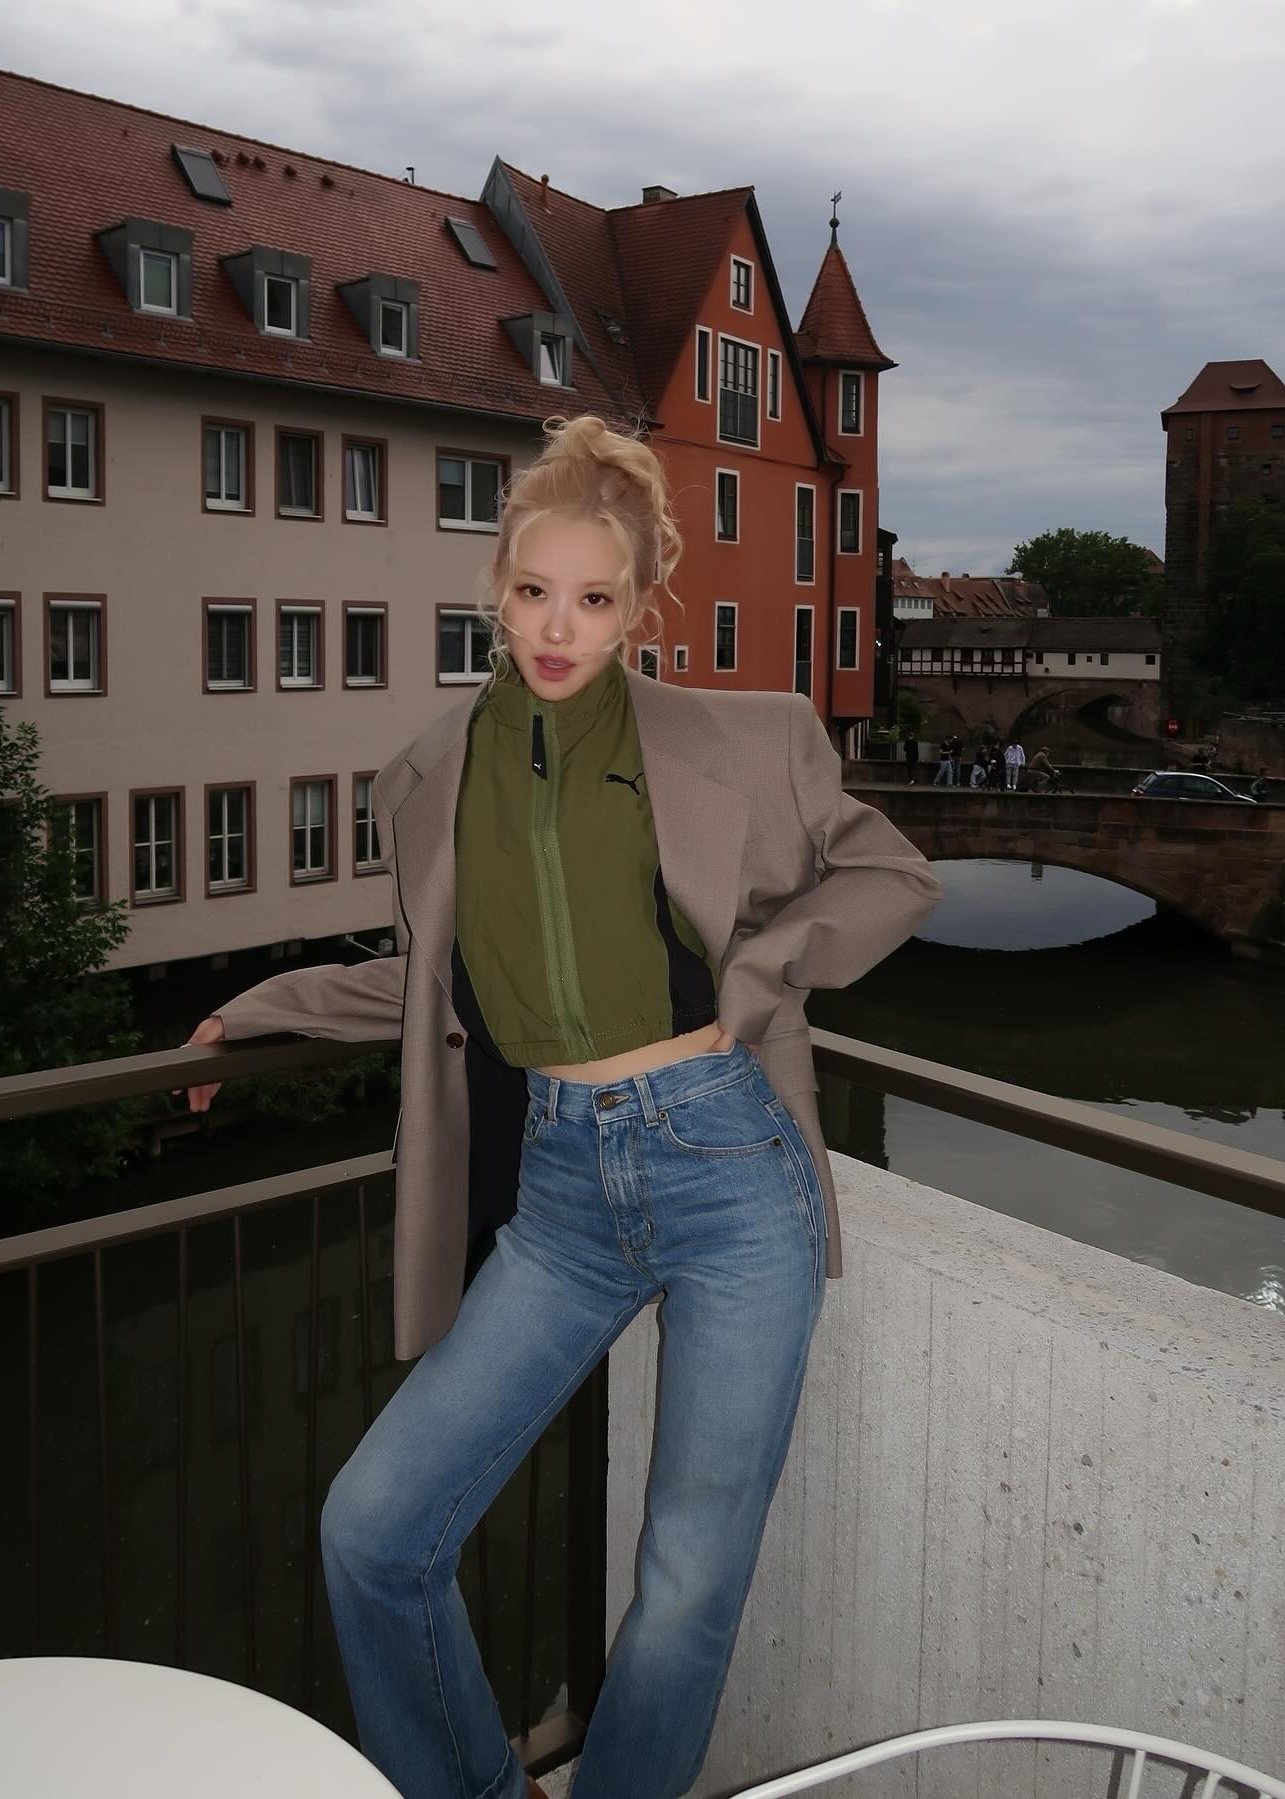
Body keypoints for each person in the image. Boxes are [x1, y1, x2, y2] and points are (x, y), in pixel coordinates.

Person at [178, 415, 943, 1799]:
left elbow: (893, 876)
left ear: (640, 607)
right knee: (374, 1529)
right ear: (498, 584)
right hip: (561, 1193)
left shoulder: (747, 739)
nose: (556, 627)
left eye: (594, 599)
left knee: (687, 1578)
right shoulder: (431, 777)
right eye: (535, 590)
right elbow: (438, 984)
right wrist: (263, 1006)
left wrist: (759, 970)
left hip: (729, 1168)